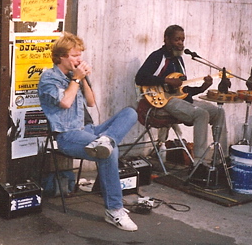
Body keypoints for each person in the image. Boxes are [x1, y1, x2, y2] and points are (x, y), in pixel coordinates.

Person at [38, 32, 139, 231]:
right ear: (61, 57)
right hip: (68, 135)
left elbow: (91, 103)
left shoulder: (74, 76)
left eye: (80, 54)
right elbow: (65, 102)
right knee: (109, 153)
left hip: (89, 129)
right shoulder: (49, 78)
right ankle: (114, 210)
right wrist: (75, 79)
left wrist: (83, 79)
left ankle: (106, 141)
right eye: (75, 55)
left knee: (130, 113)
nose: (79, 59)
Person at [135, 25, 228, 174]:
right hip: (163, 102)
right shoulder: (158, 57)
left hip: (180, 100)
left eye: (182, 39)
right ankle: (199, 164)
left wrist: (203, 87)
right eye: (177, 39)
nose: (180, 43)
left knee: (218, 112)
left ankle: (221, 160)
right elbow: (140, 78)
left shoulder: (179, 60)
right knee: (201, 114)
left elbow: (183, 90)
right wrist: (166, 80)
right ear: (166, 39)